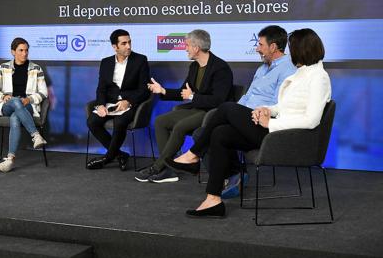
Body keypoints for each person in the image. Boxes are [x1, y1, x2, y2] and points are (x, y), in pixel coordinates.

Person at [173, 28, 331, 218]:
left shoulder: (319, 78)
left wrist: (269, 123)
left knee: (226, 109)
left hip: (285, 137)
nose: (290, 51)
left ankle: (193, 154)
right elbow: (283, 105)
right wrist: (267, 110)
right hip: (273, 129)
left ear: (304, 49)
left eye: (292, 47)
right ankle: (213, 199)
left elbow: (312, 120)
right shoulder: (301, 74)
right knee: (220, 133)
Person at [135, 29, 233, 183]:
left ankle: (158, 167)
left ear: (196, 47)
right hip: (196, 109)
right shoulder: (194, 67)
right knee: (161, 121)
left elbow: (219, 101)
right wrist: (163, 90)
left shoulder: (221, 68)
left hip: (212, 113)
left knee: (180, 126)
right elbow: (183, 92)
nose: (185, 48)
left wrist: (193, 96)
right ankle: (168, 169)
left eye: (187, 45)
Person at [217, 25, 296, 198]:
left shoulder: (288, 70)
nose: (256, 48)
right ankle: (233, 176)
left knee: (226, 108)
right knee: (214, 131)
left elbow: (278, 105)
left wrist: (235, 113)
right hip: (245, 120)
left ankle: (194, 156)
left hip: (263, 125)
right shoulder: (261, 69)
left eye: (260, 44)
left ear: (273, 47)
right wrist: (235, 115)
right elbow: (246, 98)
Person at [86, 29, 150, 171]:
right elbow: (101, 88)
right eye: (124, 43)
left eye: (129, 42)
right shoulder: (106, 62)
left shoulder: (140, 60)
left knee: (120, 122)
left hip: (131, 104)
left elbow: (144, 90)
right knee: (92, 121)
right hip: (110, 103)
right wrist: (101, 105)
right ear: (115, 47)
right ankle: (120, 155)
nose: (128, 46)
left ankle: (107, 158)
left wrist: (129, 101)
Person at [0, 38, 48, 172]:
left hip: (26, 105)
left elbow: (44, 92)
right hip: (7, 105)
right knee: (15, 101)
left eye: (26, 50)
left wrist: (30, 99)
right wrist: (4, 96)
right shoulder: (3, 68)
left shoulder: (36, 68)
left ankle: (9, 160)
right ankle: (35, 135)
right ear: (13, 52)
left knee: (16, 117)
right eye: (21, 50)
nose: (25, 53)